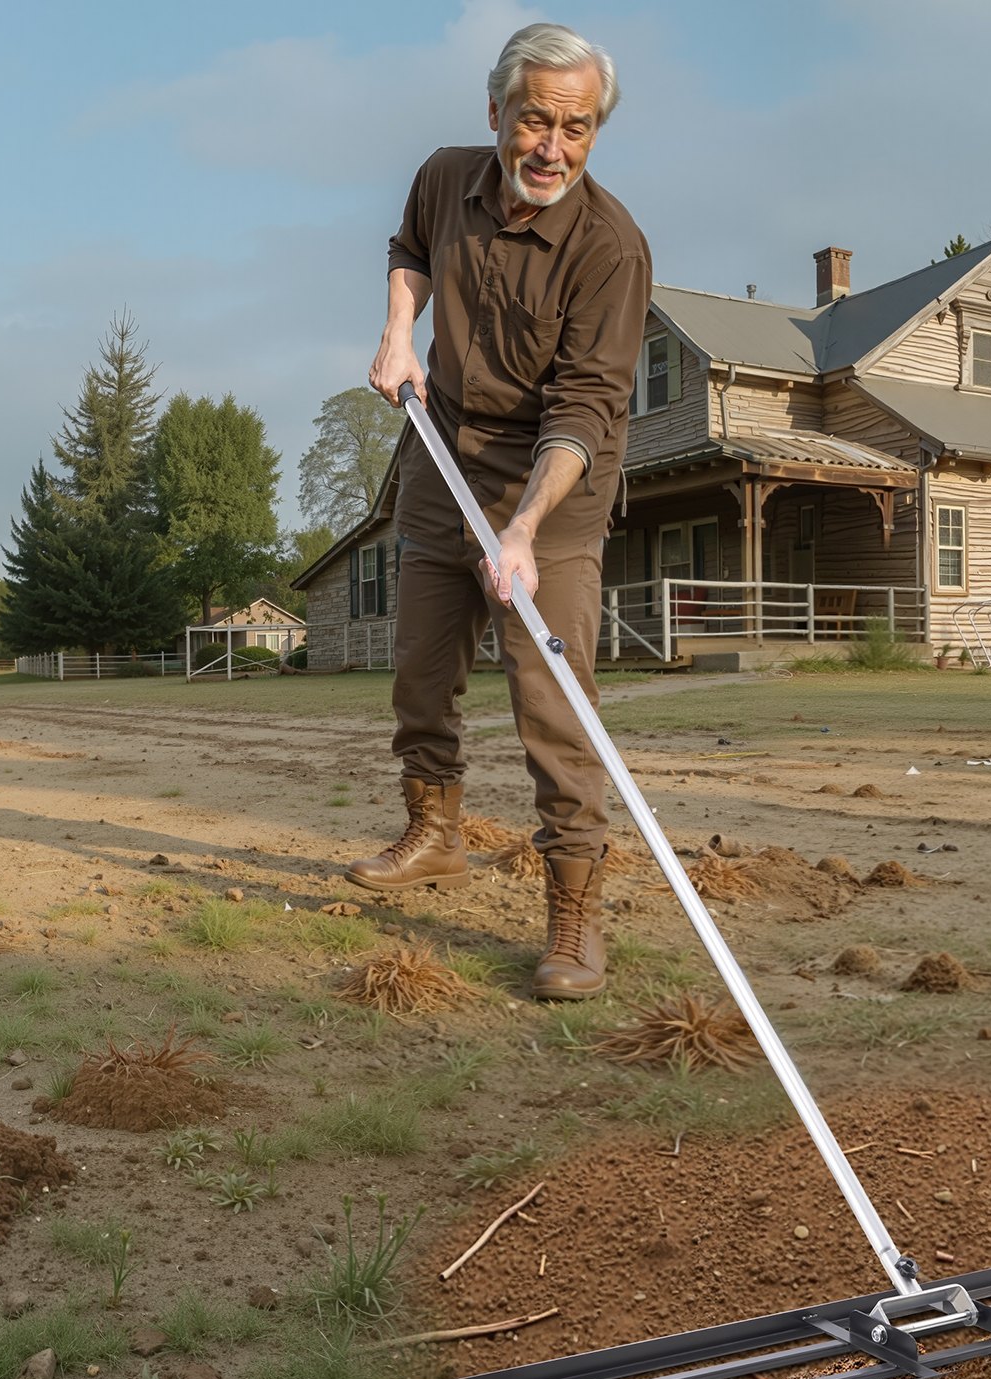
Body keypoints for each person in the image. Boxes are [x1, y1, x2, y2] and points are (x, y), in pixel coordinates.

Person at [353, 22, 650, 1001]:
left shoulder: (609, 247)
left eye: (576, 128)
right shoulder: (444, 179)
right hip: (442, 455)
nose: (551, 148)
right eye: (534, 120)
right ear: (495, 116)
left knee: (551, 702)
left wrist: (522, 528)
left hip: (553, 485)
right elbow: (409, 251)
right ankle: (434, 833)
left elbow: (585, 407)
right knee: (421, 668)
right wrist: (400, 333)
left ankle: (574, 909)